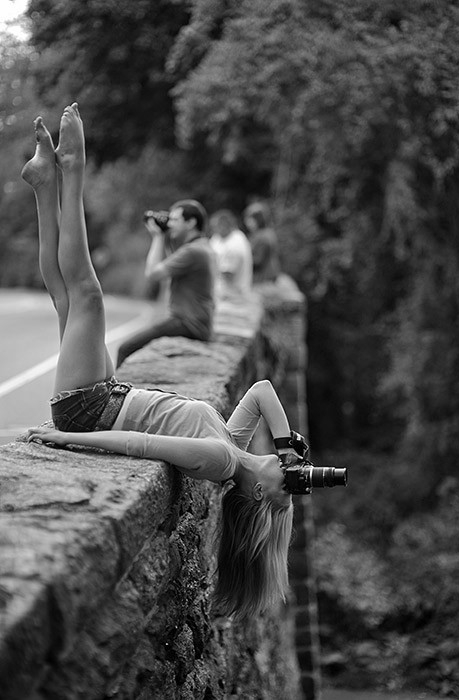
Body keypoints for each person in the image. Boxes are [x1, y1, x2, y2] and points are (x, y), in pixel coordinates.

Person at [22, 103, 302, 620]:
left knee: (88, 296)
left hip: (89, 409)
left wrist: (67, 439)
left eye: (283, 487)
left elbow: (140, 444)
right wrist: (287, 445)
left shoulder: (219, 463)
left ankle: (72, 170)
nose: (287, 474)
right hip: (106, 393)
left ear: (258, 498)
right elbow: (261, 389)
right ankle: (43, 184)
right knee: (66, 297)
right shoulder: (233, 445)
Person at [116, 198, 215, 367]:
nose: (170, 224)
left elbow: (153, 273)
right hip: (197, 322)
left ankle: (117, 393)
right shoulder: (202, 246)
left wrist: (157, 236)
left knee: (126, 348)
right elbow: (170, 259)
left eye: (175, 220)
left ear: (191, 222)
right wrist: (164, 235)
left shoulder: (193, 251)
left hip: (188, 323)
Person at [209, 209, 253, 300]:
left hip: (232, 295)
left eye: (215, 227)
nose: (213, 230)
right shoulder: (219, 237)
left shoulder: (235, 244)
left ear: (223, 226)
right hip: (222, 292)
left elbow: (228, 275)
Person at [243, 202, 281, 284]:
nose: (247, 222)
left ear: (258, 219)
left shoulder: (264, 236)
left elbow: (258, 261)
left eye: (249, 218)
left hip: (263, 279)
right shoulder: (264, 233)